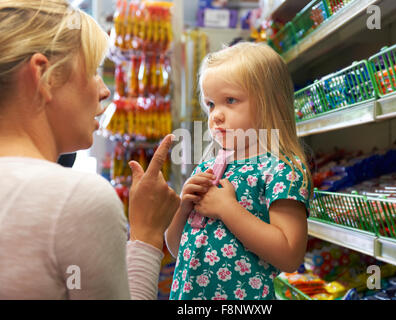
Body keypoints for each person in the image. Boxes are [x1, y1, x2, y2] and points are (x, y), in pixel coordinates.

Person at [0, 0, 179, 299]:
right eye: (93, 71)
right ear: (44, 76)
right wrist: (147, 235)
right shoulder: (75, 200)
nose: (104, 91)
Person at [166, 42, 313, 300]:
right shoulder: (210, 167)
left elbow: (289, 255)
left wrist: (227, 209)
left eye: (230, 101)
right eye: (211, 104)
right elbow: (179, 250)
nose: (216, 116)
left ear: (270, 103)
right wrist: (183, 208)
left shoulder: (281, 170)